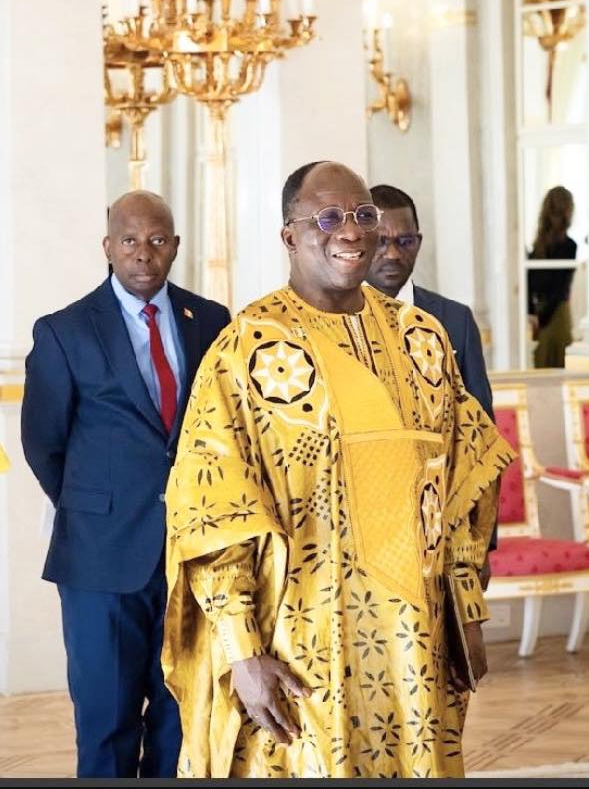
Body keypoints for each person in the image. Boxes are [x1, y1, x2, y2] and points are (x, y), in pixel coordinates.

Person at [161, 161, 515, 778]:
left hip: (415, 637)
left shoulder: (423, 338)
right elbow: (213, 512)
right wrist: (241, 651)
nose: (349, 231)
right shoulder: (246, 347)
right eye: (327, 218)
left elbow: (464, 481)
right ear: (289, 235)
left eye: (362, 216)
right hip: (300, 641)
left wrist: (467, 608)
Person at [21, 191, 230, 777]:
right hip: (100, 560)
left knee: (179, 720)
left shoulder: (211, 321)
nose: (144, 254)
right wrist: (100, 507)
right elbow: (44, 442)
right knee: (106, 723)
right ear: (108, 247)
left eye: (157, 240)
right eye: (131, 241)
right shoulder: (65, 331)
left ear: (176, 246)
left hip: (191, 555)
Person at [365, 184, 493, 421]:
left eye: (405, 241)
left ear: (418, 243)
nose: (392, 254)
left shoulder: (456, 320)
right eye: (380, 242)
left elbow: (482, 422)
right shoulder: (333, 319)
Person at [527, 186, 577, 368]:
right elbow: (560, 288)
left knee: (544, 364)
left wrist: (534, 314)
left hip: (545, 313)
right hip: (555, 313)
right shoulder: (568, 246)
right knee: (558, 365)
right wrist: (538, 315)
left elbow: (531, 283)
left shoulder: (538, 247)